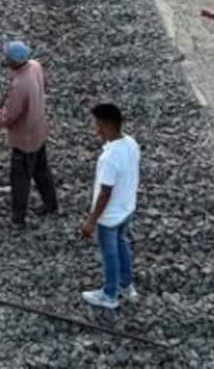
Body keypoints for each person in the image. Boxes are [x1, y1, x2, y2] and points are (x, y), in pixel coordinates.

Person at [80, 102, 140, 309]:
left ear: (106, 125)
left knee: (110, 253)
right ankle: (126, 284)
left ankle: (109, 294)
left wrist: (91, 221)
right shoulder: (131, 143)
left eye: (97, 124)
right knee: (121, 243)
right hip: (127, 208)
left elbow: (105, 192)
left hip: (110, 215)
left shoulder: (109, 158)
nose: (96, 129)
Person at [0, 40, 59, 225]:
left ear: (13, 61)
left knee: (20, 179)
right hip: (39, 130)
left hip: (24, 140)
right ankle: (51, 205)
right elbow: (45, 85)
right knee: (41, 171)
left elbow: (10, 117)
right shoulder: (35, 66)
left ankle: (18, 219)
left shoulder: (20, 85)